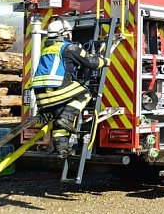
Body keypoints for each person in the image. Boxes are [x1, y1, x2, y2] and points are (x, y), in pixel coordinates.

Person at [28, 18, 107, 157]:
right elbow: (91, 62)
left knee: (60, 119)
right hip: (56, 90)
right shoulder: (70, 47)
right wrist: (104, 61)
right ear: (64, 34)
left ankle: (63, 149)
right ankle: (66, 117)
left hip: (40, 96)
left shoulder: (46, 49)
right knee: (85, 94)